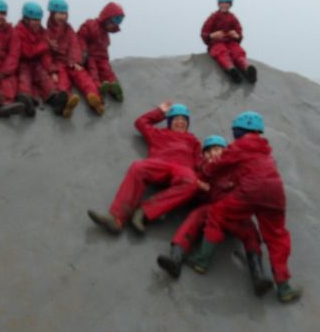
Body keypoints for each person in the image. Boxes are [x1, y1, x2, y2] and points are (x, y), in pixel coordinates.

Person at [192, 111, 302, 303]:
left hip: (251, 191)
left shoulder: (239, 146)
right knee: (277, 237)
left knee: (217, 213)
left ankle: (201, 260)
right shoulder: (266, 152)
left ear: (238, 131)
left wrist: (204, 173)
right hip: (276, 194)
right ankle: (284, 287)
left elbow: (217, 165)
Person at [157, 134, 273, 297]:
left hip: (236, 214)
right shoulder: (203, 170)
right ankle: (176, 258)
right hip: (213, 211)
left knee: (251, 233)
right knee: (194, 218)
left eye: (219, 150)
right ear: (205, 154)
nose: (215, 153)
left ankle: (258, 275)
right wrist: (200, 186)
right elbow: (192, 186)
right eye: (211, 151)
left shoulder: (235, 168)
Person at [87, 103, 208, 234]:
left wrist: (201, 180)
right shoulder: (158, 133)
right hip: (160, 164)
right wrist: (160, 111)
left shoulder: (193, 140)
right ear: (170, 122)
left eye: (184, 119)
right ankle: (116, 219)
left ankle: (143, 212)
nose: (180, 122)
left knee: (192, 183)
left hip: (182, 170)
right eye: (176, 119)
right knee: (138, 167)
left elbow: (199, 163)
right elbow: (141, 123)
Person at [46, 0, 104, 117]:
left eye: (64, 14)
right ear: (52, 14)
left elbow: (74, 45)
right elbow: (46, 54)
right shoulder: (46, 33)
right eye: (59, 14)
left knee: (83, 76)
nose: (62, 17)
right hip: (58, 64)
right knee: (62, 81)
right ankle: (67, 102)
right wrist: (52, 71)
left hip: (70, 62)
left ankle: (94, 97)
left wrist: (75, 61)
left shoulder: (69, 29)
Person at [15, 2, 69, 116]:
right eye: (34, 20)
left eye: (39, 20)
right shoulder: (18, 31)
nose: (37, 23)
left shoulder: (42, 32)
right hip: (23, 63)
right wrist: (45, 45)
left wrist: (51, 70)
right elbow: (26, 52)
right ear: (26, 19)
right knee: (24, 78)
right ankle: (26, 100)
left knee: (44, 78)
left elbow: (45, 54)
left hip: (37, 63)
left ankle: (55, 100)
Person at [201, 0, 257, 84]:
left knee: (237, 51)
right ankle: (230, 69)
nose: (224, 5)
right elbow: (204, 33)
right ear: (218, 3)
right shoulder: (213, 17)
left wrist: (237, 36)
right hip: (216, 43)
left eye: (227, 2)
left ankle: (247, 68)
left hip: (230, 42)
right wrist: (211, 36)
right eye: (222, 2)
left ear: (230, 4)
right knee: (221, 51)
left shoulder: (232, 18)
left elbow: (239, 32)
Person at [77, 2, 125, 102]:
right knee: (93, 69)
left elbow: (104, 51)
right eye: (112, 23)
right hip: (89, 56)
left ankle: (114, 86)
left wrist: (105, 60)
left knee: (106, 69)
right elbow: (80, 37)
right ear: (106, 18)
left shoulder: (105, 36)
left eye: (115, 25)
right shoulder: (91, 25)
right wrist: (83, 51)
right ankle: (98, 87)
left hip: (100, 58)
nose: (113, 26)